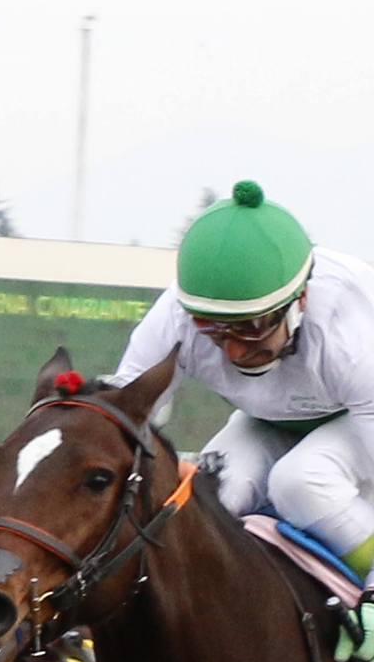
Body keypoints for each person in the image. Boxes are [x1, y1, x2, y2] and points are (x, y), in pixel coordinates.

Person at [111, 180, 374, 578]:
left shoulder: (349, 334)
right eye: (212, 330)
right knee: (209, 497)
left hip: (362, 413)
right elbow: (122, 418)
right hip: (273, 420)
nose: (233, 352)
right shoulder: (176, 318)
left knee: (302, 481)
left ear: (300, 301)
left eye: (250, 328)